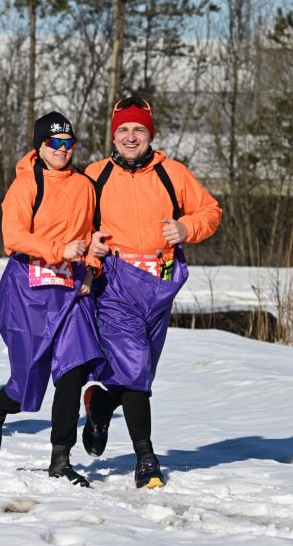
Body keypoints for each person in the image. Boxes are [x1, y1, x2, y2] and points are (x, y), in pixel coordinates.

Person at [83, 96, 222, 488]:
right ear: (114, 135)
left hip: (160, 284)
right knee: (135, 367)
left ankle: (101, 404)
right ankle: (146, 459)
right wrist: (89, 246)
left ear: (150, 134)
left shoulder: (172, 173)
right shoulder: (95, 175)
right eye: (123, 130)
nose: (130, 137)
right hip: (115, 282)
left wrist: (186, 229)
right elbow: (74, 221)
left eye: (138, 130)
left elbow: (210, 210)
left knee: (140, 371)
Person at [0, 112, 102, 486]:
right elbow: (12, 236)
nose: (62, 150)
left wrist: (91, 267)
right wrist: (59, 249)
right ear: (40, 146)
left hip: (71, 291)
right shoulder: (25, 185)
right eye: (54, 143)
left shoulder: (85, 185)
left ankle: (60, 459)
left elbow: (95, 234)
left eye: (68, 143)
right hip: (27, 290)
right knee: (28, 385)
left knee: (72, 372)